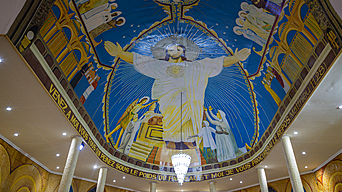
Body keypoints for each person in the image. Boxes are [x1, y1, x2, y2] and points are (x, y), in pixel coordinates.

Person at [104, 38, 251, 148]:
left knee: (189, 119)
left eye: (178, 49)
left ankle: (188, 140)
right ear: (167, 52)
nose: (175, 51)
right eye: (171, 49)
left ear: (184, 51)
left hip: (190, 99)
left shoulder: (196, 66)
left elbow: (215, 63)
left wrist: (236, 58)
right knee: (170, 120)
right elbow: (140, 61)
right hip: (169, 100)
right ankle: (172, 141)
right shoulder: (160, 65)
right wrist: (120, 53)